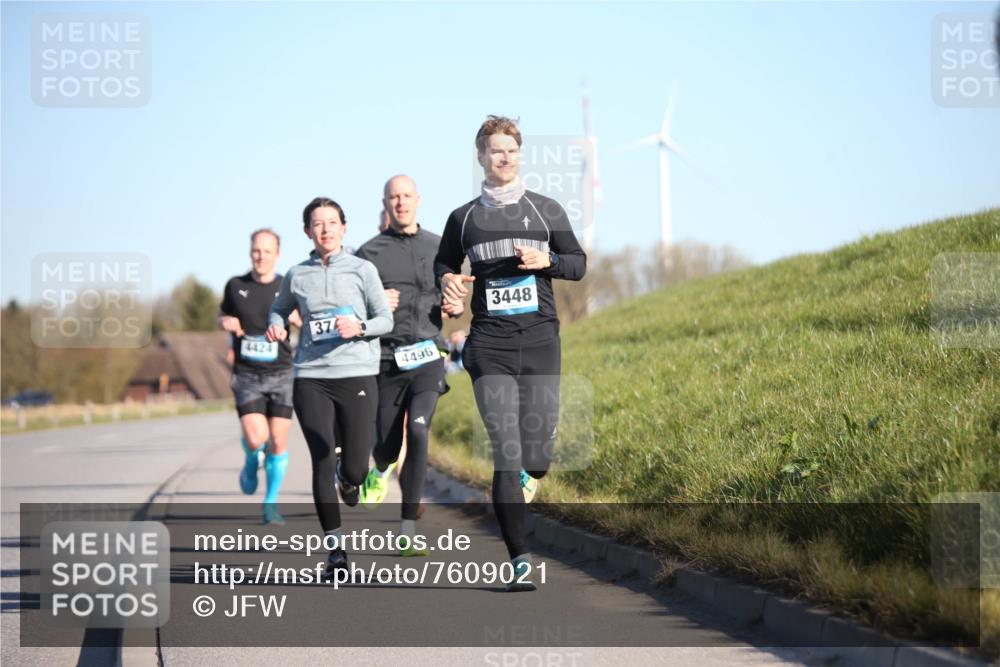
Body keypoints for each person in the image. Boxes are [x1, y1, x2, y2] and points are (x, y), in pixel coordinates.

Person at [435, 116, 586, 591]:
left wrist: (550, 262)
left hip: (541, 341)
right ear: (481, 157)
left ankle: (533, 465)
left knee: (536, 459)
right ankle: (519, 559)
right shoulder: (463, 218)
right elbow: (444, 262)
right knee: (506, 450)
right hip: (490, 346)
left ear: (521, 157)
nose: (504, 158)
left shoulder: (546, 211)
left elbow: (578, 265)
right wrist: (450, 285)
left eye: (511, 151)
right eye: (495, 151)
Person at [266, 197, 392, 578]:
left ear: (343, 227)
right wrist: (276, 323)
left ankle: (349, 478)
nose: (325, 229)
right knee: (321, 455)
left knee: (355, 466)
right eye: (317, 224)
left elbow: (384, 318)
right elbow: (279, 307)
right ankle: (335, 552)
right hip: (311, 375)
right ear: (307, 231)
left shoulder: (362, 270)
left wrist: (360, 328)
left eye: (332, 222)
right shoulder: (296, 274)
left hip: (356, 372)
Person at [355, 175, 454, 555]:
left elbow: (454, 297)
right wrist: (376, 304)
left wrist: (456, 305)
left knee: (419, 429)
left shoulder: (438, 247)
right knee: (386, 446)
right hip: (385, 359)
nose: (401, 202)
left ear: (418, 199)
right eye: (394, 197)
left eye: (407, 195)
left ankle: (407, 530)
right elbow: (353, 311)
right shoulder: (367, 254)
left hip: (428, 355)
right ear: (386, 203)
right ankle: (379, 470)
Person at [218, 229, 300, 525]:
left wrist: (296, 320)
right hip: (248, 374)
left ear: (277, 254)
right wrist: (225, 321)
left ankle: (271, 504)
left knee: (278, 441)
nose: (260, 256)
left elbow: (305, 321)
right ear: (250, 252)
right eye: (256, 250)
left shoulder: (287, 287)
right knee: (257, 438)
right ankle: (252, 457)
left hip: (281, 373)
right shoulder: (235, 285)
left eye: (267, 251)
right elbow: (223, 314)